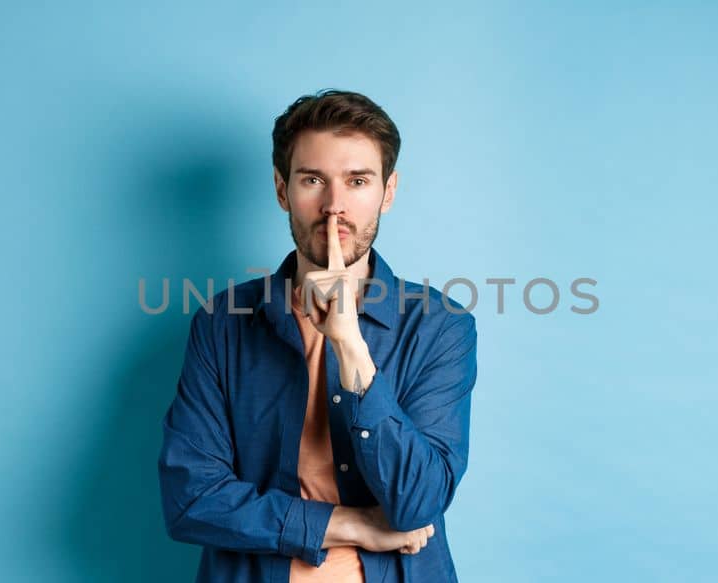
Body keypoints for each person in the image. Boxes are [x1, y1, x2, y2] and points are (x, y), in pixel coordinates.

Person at [157, 89, 479, 582]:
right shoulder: (222, 323)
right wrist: (352, 524)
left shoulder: (440, 327)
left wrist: (351, 345)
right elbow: (191, 500)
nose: (334, 206)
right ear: (283, 191)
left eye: (357, 181)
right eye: (313, 180)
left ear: (387, 193)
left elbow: (418, 503)